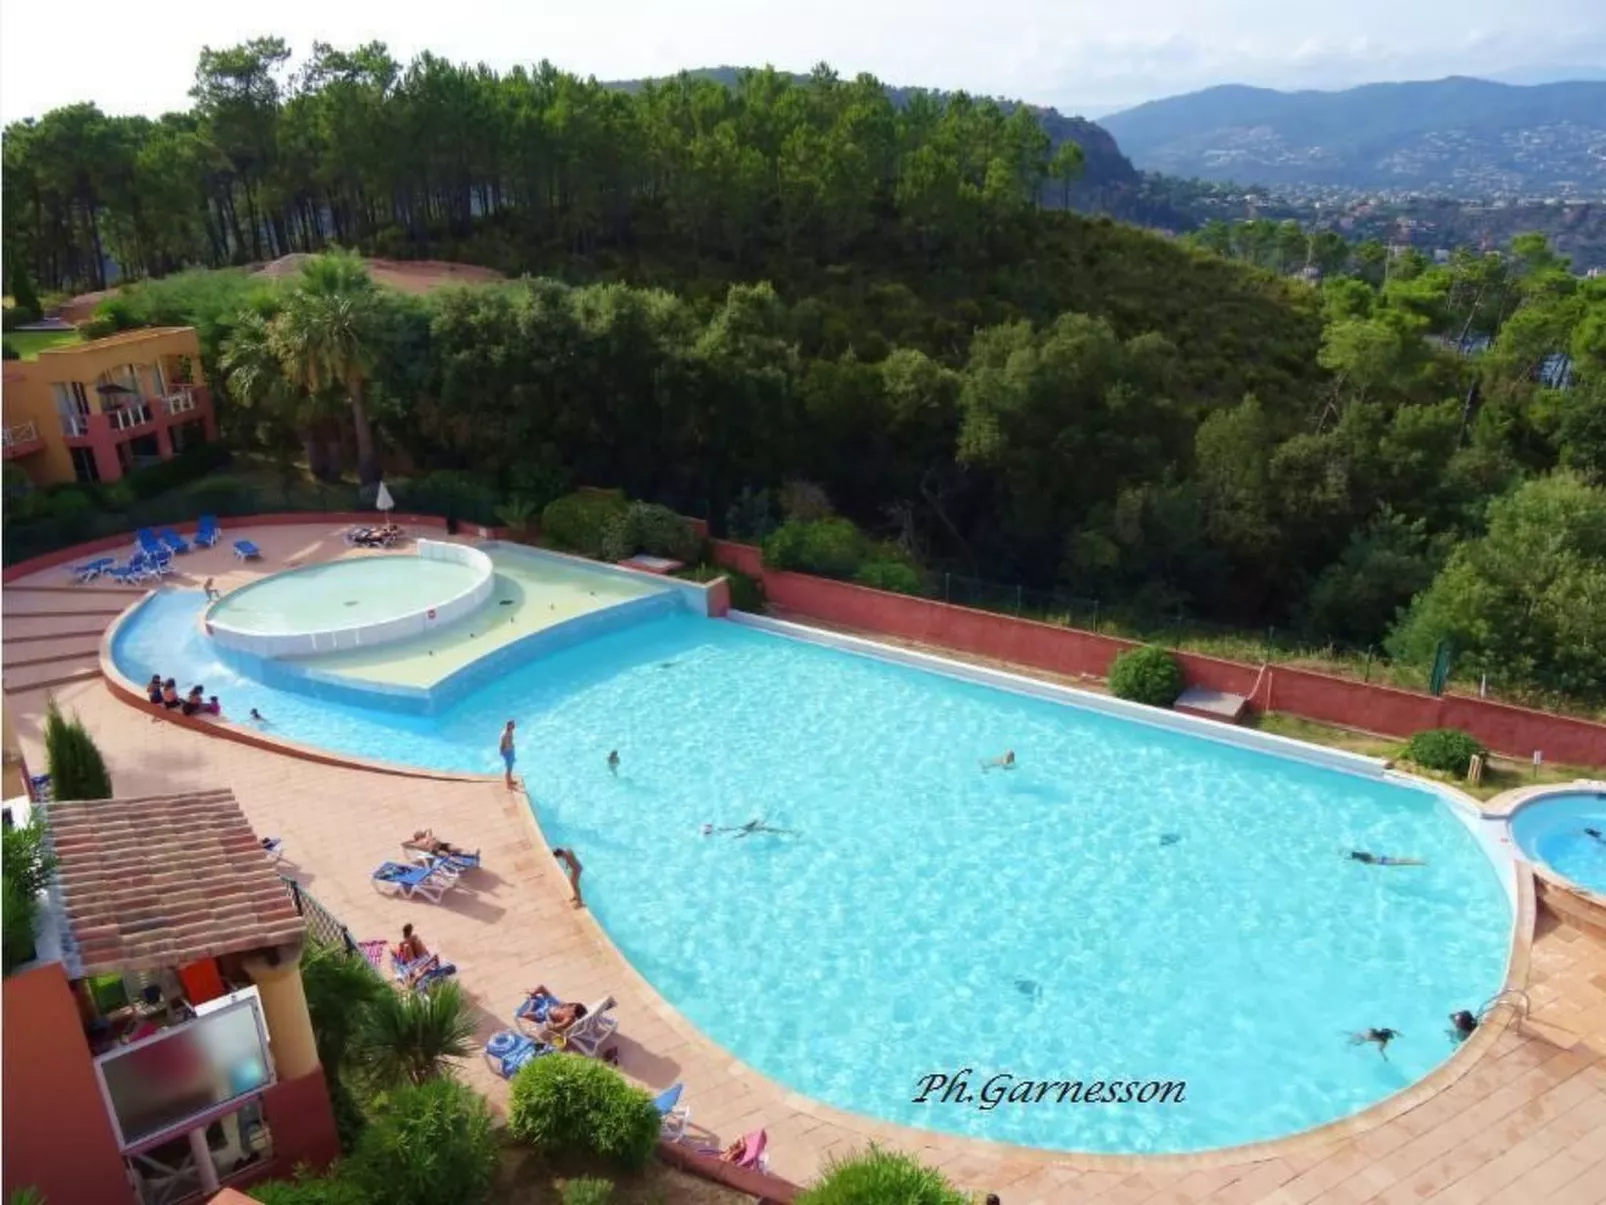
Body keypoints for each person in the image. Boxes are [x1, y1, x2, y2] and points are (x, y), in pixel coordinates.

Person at [499, 720, 517, 789]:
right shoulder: (505, 734)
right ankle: (508, 784)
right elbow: (501, 744)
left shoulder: (511, 731)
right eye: (512, 725)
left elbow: (510, 741)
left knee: (511, 767)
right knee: (508, 768)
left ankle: (510, 780)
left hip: (510, 750)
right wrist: (502, 751)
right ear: (509, 726)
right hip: (507, 752)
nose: (514, 726)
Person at [1349, 851, 1425, 866]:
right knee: (1402, 861)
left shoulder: (1373, 861)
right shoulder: (1375, 860)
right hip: (1382, 860)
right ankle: (1418, 861)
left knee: (1402, 862)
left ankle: (1419, 862)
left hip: (1382, 861)